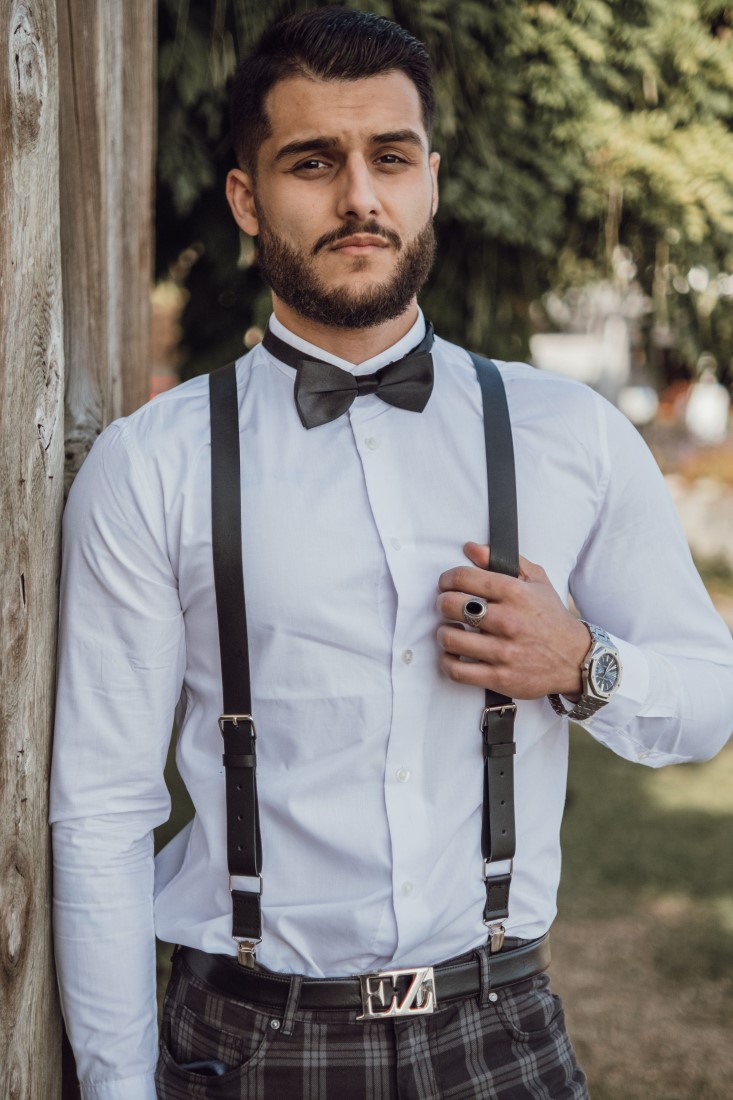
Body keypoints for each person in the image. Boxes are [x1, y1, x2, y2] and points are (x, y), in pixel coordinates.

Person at [50, 8, 733, 1099]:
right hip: (244, 1040)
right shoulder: (153, 466)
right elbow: (99, 814)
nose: (359, 196)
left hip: (501, 1032)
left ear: (429, 181)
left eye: (390, 157)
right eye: (311, 161)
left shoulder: (568, 432)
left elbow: (709, 696)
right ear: (245, 198)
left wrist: (585, 662)